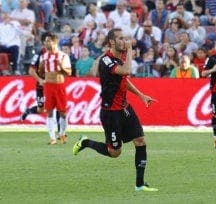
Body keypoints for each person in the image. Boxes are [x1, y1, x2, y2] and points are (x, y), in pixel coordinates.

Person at [72, 28, 158, 192]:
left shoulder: (122, 57)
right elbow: (126, 71)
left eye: (125, 38)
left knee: (140, 141)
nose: (124, 41)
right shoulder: (106, 60)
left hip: (124, 108)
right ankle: (86, 142)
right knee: (115, 152)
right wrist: (131, 48)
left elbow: (124, 80)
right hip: (110, 112)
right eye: (120, 38)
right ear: (111, 42)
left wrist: (140, 95)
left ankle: (140, 184)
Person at [39, 33, 72, 145]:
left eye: (48, 41)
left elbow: (69, 72)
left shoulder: (63, 56)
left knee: (62, 112)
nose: (46, 43)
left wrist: (61, 67)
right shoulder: (44, 56)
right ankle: (52, 137)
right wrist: (41, 67)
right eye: (45, 41)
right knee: (49, 112)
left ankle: (62, 134)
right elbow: (41, 72)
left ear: (55, 42)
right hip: (48, 86)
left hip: (59, 86)